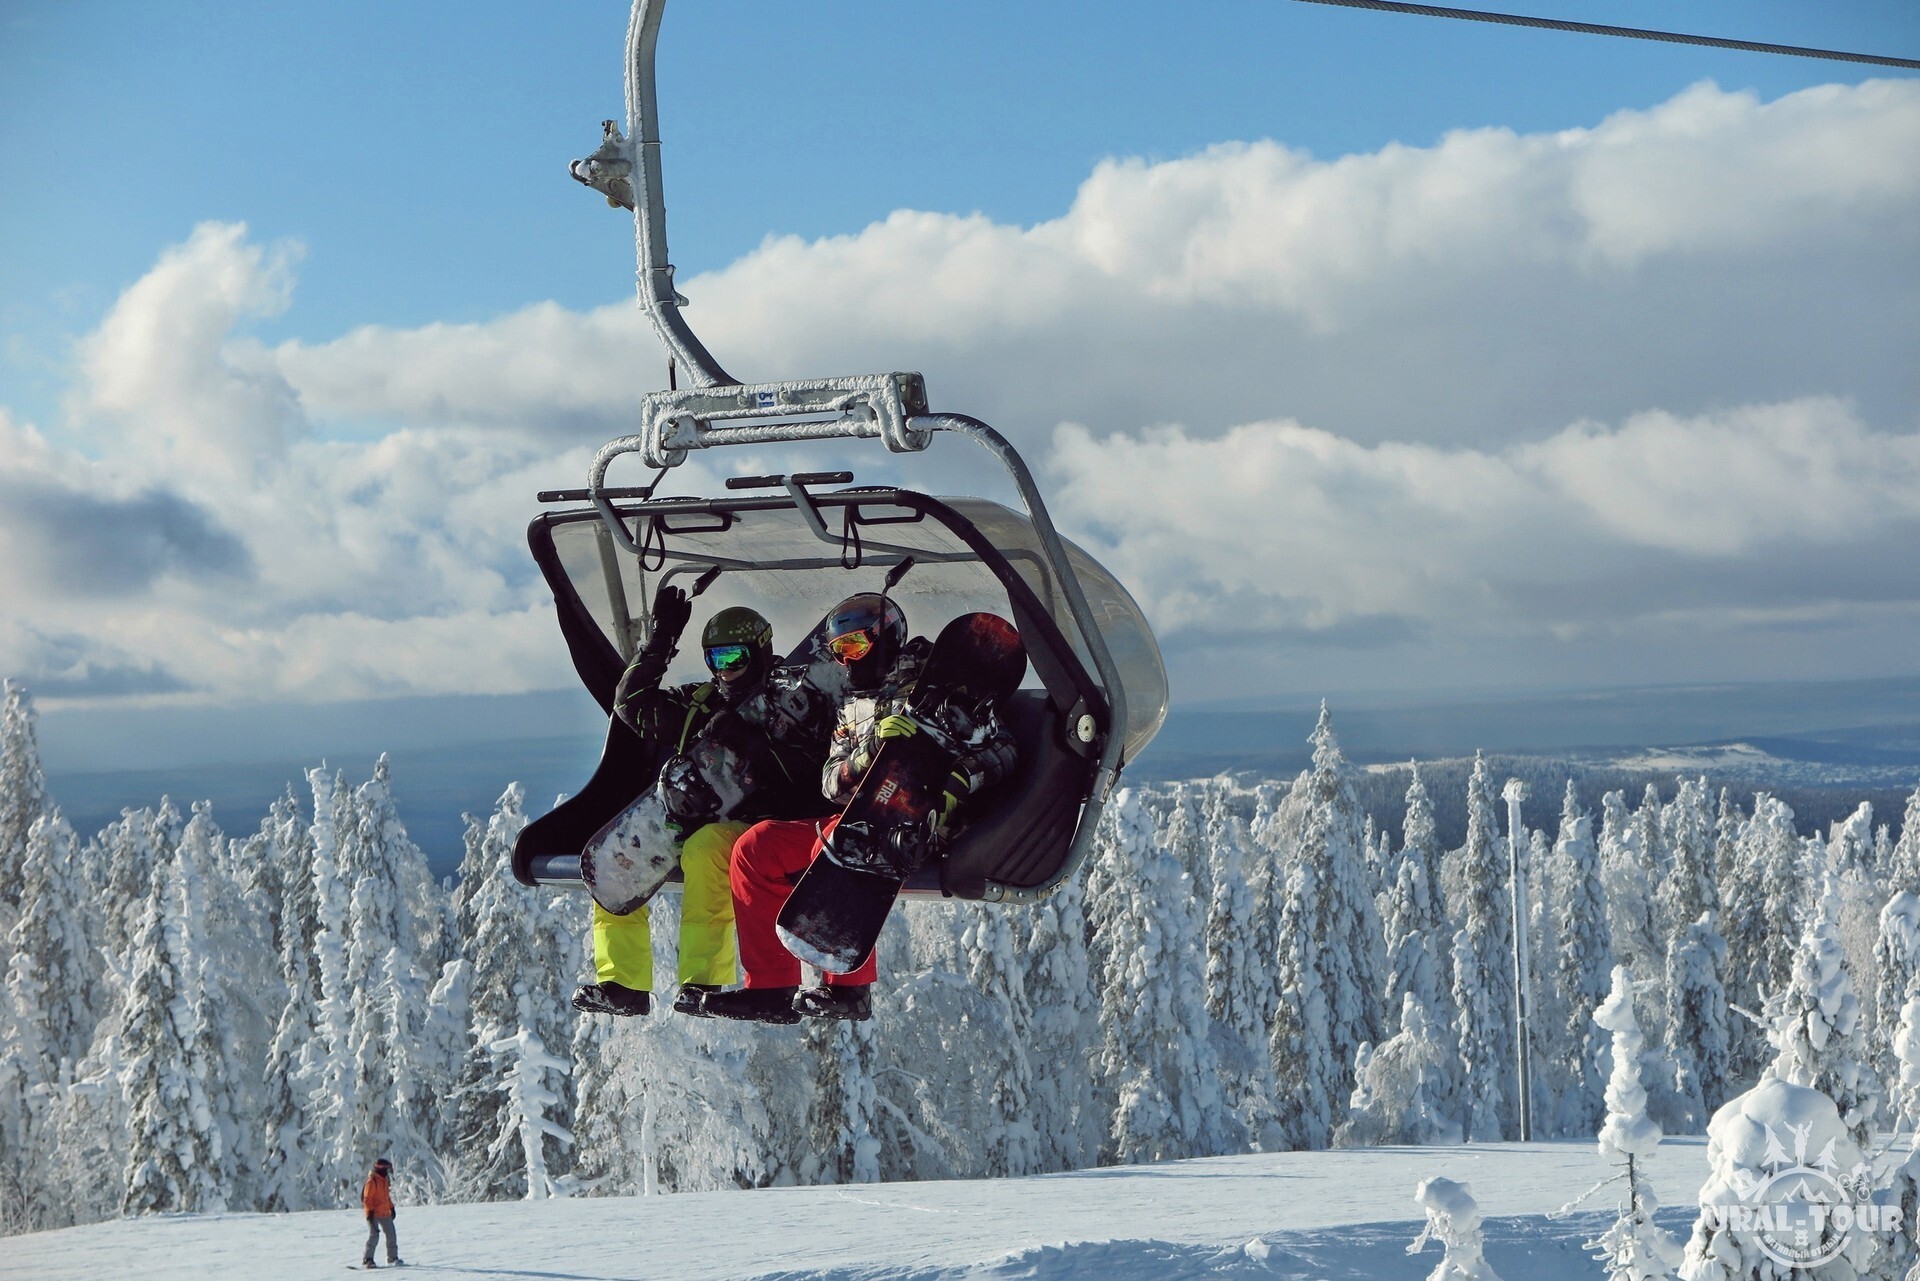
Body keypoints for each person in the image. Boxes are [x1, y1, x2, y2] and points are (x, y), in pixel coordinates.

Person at [705, 594, 1016, 1025]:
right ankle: (771, 987)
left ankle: (850, 991)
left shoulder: (938, 691)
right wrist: (866, 752)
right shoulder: (853, 708)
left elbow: (1003, 752)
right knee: (754, 848)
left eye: (856, 646)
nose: (849, 660)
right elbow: (831, 782)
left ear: (885, 637)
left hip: (917, 824)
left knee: (847, 843)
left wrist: (958, 781)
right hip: (856, 815)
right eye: (839, 651)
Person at [573, 590, 832, 1019]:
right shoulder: (701, 705)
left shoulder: (794, 706)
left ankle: (702, 979)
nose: (723, 671)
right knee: (618, 851)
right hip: (691, 813)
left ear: (760, 652)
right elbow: (631, 704)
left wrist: (756, 747)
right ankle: (622, 982)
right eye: (715, 660)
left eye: (733, 658)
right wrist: (660, 641)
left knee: (706, 849)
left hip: (758, 823)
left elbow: (810, 782)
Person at [361, 1156, 402, 1268]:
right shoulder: (372, 1181)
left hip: (384, 1212)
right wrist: (369, 1213)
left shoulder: (383, 1181)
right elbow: (367, 1199)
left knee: (391, 1234)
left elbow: (386, 1198)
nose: (388, 1172)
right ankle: (368, 1259)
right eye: (387, 1169)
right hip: (373, 1213)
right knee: (374, 1235)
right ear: (381, 1169)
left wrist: (391, 1208)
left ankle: (392, 1258)